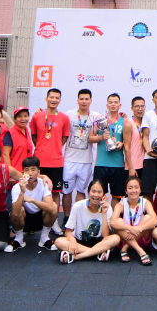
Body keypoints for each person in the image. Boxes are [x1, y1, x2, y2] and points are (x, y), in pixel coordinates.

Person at [55, 178, 121, 263]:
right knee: (59, 242)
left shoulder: (108, 209)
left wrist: (104, 213)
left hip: (99, 242)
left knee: (116, 238)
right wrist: (72, 240)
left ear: (104, 195)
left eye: (99, 192)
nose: (96, 195)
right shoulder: (78, 206)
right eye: (93, 191)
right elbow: (68, 232)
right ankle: (97, 253)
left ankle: (78, 256)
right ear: (89, 192)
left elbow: (105, 236)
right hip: (80, 242)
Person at [30, 88, 69, 230]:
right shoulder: (37, 117)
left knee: (55, 193)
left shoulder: (64, 118)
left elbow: (64, 138)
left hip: (56, 161)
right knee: (36, 190)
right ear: (46, 99)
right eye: (51, 97)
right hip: (39, 161)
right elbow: (34, 136)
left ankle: (54, 221)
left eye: (57, 98)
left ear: (60, 100)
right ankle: (35, 222)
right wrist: (42, 148)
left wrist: (55, 148)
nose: (54, 100)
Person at [63, 89, 100, 228]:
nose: (84, 101)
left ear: (91, 101)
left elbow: (110, 121)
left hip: (86, 161)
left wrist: (122, 116)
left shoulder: (96, 116)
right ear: (77, 100)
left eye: (86, 99)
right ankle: (66, 218)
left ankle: (78, 219)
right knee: (67, 191)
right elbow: (54, 117)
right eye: (81, 99)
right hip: (69, 160)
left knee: (81, 191)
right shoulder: (69, 114)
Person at [91, 93, 134, 207]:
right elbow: (90, 138)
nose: (113, 104)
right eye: (110, 102)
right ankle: (100, 217)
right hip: (101, 164)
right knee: (98, 195)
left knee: (117, 196)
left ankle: (114, 218)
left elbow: (128, 143)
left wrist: (122, 144)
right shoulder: (100, 119)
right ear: (107, 105)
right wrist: (101, 137)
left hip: (118, 165)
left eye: (115, 102)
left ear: (120, 105)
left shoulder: (125, 121)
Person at [10, 156, 58, 249]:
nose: (30, 173)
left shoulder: (44, 184)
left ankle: (44, 238)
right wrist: (22, 192)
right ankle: (19, 239)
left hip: (40, 218)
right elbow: (15, 214)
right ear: (22, 173)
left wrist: (31, 200)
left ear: (38, 172)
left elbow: (50, 207)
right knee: (19, 209)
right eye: (27, 170)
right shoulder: (16, 187)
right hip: (25, 220)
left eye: (33, 169)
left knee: (54, 206)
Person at [110, 176, 157, 265]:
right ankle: (140, 251)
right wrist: (130, 228)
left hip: (141, 238)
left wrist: (138, 229)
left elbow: (155, 221)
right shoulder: (121, 204)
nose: (133, 190)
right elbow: (112, 222)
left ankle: (125, 248)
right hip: (125, 237)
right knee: (118, 221)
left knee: (148, 218)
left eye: (136, 187)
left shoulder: (145, 202)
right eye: (130, 188)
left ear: (140, 190)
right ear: (126, 191)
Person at [3, 107, 35, 173]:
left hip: (27, 172)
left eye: (25, 116)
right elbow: (5, 154)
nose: (23, 119)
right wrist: (10, 173)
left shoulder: (26, 131)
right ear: (15, 119)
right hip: (15, 173)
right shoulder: (10, 133)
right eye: (20, 116)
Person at [126, 96, 147, 179]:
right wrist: (130, 168)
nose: (140, 109)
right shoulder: (129, 124)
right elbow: (126, 147)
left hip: (145, 164)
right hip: (133, 166)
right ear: (132, 108)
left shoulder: (146, 123)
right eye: (137, 106)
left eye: (142, 106)